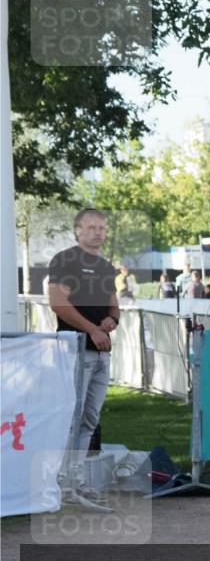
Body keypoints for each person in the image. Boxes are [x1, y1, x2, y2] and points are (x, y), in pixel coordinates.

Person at [47, 208, 118, 501]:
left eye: (102, 228)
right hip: (76, 351)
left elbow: (114, 306)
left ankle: (75, 481)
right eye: (91, 227)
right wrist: (92, 330)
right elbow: (57, 303)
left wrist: (112, 321)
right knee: (71, 417)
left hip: (101, 353)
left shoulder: (105, 266)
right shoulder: (65, 260)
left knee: (90, 418)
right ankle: (58, 480)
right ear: (78, 230)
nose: (97, 233)